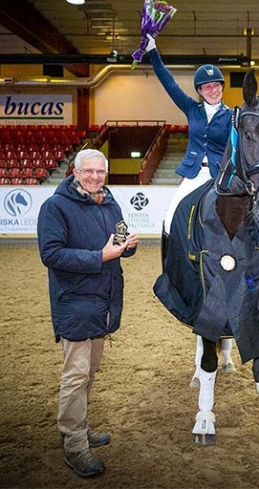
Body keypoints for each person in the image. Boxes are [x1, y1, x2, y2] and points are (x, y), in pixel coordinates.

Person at [37, 149, 139, 478]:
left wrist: (129, 246)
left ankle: (78, 427)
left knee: (89, 372)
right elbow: (51, 254)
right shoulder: (55, 206)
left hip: (103, 302)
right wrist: (100, 256)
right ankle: (74, 444)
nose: (95, 177)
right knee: (76, 375)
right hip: (75, 302)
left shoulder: (110, 202)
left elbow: (119, 239)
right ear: (75, 172)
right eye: (89, 171)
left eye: (100, 172)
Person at [144, 33, 236, 376]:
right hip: (193, 177)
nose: (213, 89)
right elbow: (167, 82)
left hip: (221, 178)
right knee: (170, 219)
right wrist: (153, 52)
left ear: (223, 88)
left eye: (217, 85)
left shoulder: (233, 114)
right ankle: (172, 268)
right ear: (199, 90)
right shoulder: (191, 108)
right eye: (207, 86)